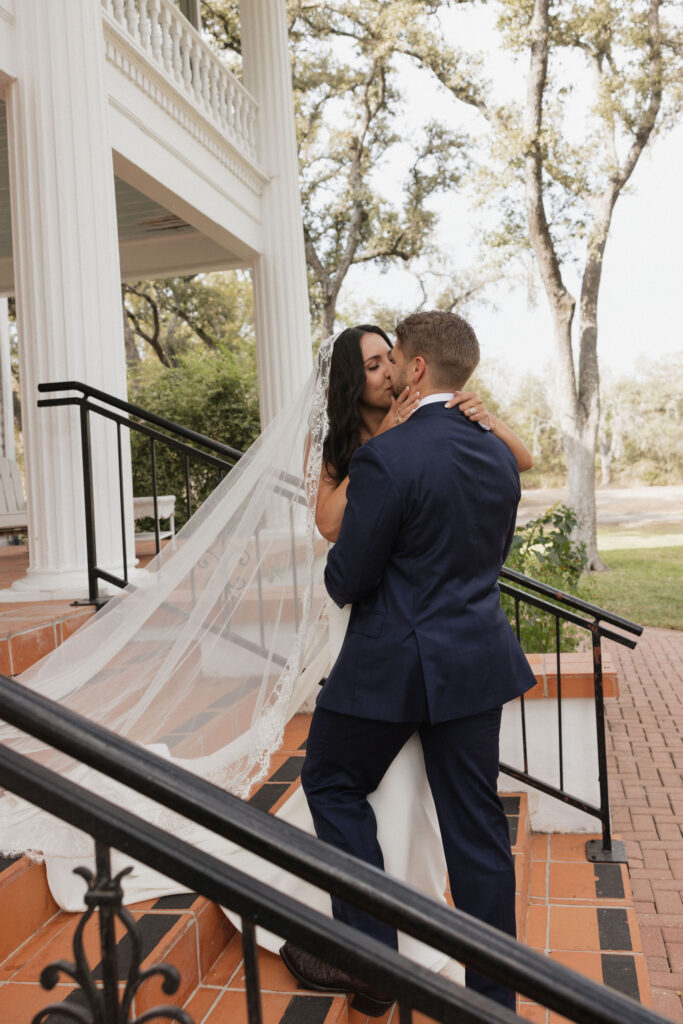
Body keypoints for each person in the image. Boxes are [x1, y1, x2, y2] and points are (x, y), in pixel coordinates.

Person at [280, 311, 537, 1012]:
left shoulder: (387, 458)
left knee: (329, 781)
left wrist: (345, 579)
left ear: (415, 368)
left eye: (392, 356)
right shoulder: (494, 453)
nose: (386, 367)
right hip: (474, 661)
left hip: (389, 664)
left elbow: (347, 576)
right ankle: (494, 1002)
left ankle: (373, 962)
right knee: (477, 830)